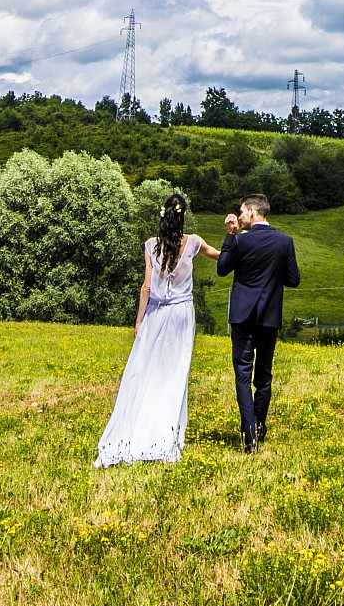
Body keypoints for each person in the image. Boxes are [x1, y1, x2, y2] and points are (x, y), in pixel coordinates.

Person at [94, 191, 220, 467]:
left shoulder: (151, 245)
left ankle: (139, 428)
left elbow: (147, 287)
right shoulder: (195, 243)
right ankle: (164, 432)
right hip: (182, 315)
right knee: (174, 374)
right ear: (183, 217)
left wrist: (139, 320)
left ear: (163, 217)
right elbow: (221, 257)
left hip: (156, 314)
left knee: (146, 371)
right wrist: (235, 237)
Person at [215, 193, 300, 453]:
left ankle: (248, 434)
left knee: (243, 375)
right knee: (263, 377)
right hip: (269, 317)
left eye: (241, 212)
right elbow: (293, 279)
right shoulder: (285, 242)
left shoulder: (241, 242)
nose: (239, 217)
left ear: (252, 212)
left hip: (242, 316)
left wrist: (231, 236)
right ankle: (259, 429)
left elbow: (222, 268)